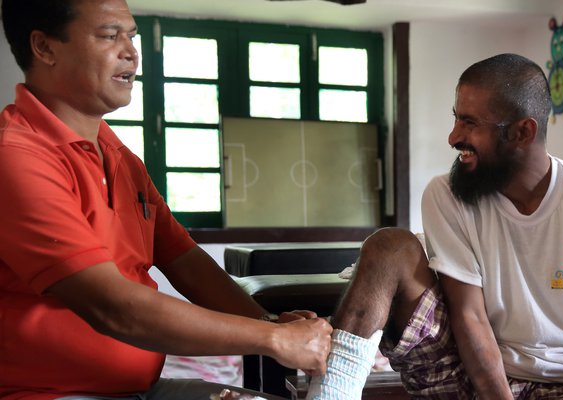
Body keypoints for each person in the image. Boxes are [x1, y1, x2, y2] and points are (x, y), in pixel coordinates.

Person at [0, 0, 332, 399]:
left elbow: (186, 263)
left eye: (132, 36)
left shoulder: (120, 158)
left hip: (142, 388)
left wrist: (270, 324)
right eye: (109, 35)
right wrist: (272, 339)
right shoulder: (16, 156)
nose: (131, 52)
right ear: (45, 48)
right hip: (48, 392)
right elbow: (113, 307)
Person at [305, 53, 563, 400]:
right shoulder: (446, 194)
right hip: (464, 366)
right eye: (456, 118)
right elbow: (469, 316)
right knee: (388, 246)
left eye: (470, 123)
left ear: (523, 132)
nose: (453, 137)